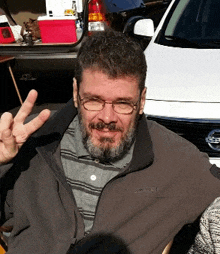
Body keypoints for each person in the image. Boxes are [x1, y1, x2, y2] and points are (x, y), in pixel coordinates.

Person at [0, 29, 220, 254]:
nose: (107, 118)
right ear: (76, 93)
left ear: (142, 100)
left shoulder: (177, 160)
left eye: (123, 103)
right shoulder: (34, 143)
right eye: (94, 100)